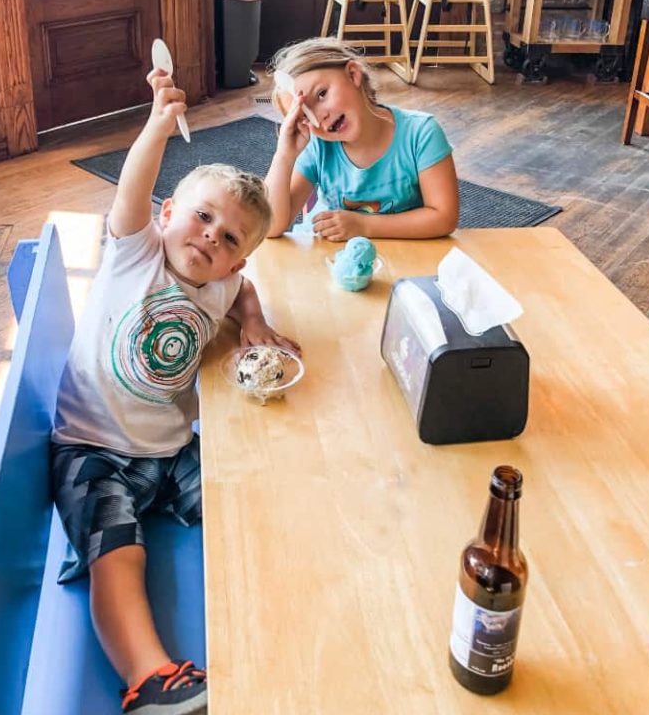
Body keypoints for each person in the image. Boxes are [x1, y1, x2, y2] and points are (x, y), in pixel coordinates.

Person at [51, 66, 297, 714]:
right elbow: (131, 191)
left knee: (245, 497)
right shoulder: (137, 252)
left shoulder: (223, 283)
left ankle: (287, 615)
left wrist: (253, 319)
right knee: (116, 551)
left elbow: (242, 289)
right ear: (167, 215)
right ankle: (151, 678)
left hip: (169, 449)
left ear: (238, 258)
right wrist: (158, 126)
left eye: (229, 237)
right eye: (202, 217)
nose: (211, 236)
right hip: (92, 449)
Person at [265, 38, 458, 240]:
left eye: (321, 95)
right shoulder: (317, 147)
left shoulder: (422, 134)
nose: (320, 116)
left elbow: (443, 217)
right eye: (305, 116)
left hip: (403, 258)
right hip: (331, 257)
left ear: (353, 74)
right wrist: (284, 155)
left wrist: (363, 226)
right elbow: (269, 227)